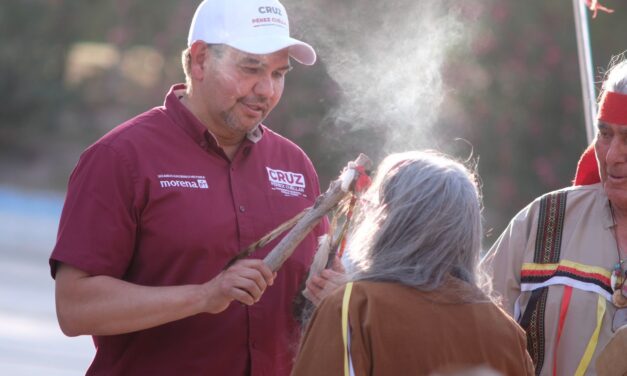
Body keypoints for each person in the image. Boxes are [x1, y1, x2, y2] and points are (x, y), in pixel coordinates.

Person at [49, 0, 327, 375]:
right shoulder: (121, 157)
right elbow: (74, 309)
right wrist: (204, 296)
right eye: (251, 68)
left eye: (279, 74)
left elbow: (311, 300)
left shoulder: (295, 166)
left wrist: (336, 295)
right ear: (199, 61)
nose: (266, 90)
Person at [292, 151, 535, 376]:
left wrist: (343, 310)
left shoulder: (354, 308)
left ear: (390, 220)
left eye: (372, 206)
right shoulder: (506, 332)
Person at [483, 55, 627, 375]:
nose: (614, 155)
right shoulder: (545, 221)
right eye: (605, 134)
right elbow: (468, 328)